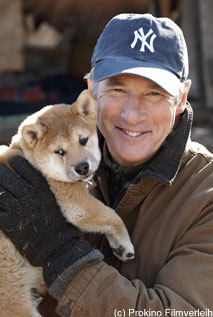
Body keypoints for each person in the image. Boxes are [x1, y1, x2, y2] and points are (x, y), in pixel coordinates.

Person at [0, 13, 212, 317]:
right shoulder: (42, 160)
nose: (132, 114)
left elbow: (182, 313)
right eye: (117, 89)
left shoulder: (205, 195)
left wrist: (60, 253)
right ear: (91, 89)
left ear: (181, 99)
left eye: (154, 93)